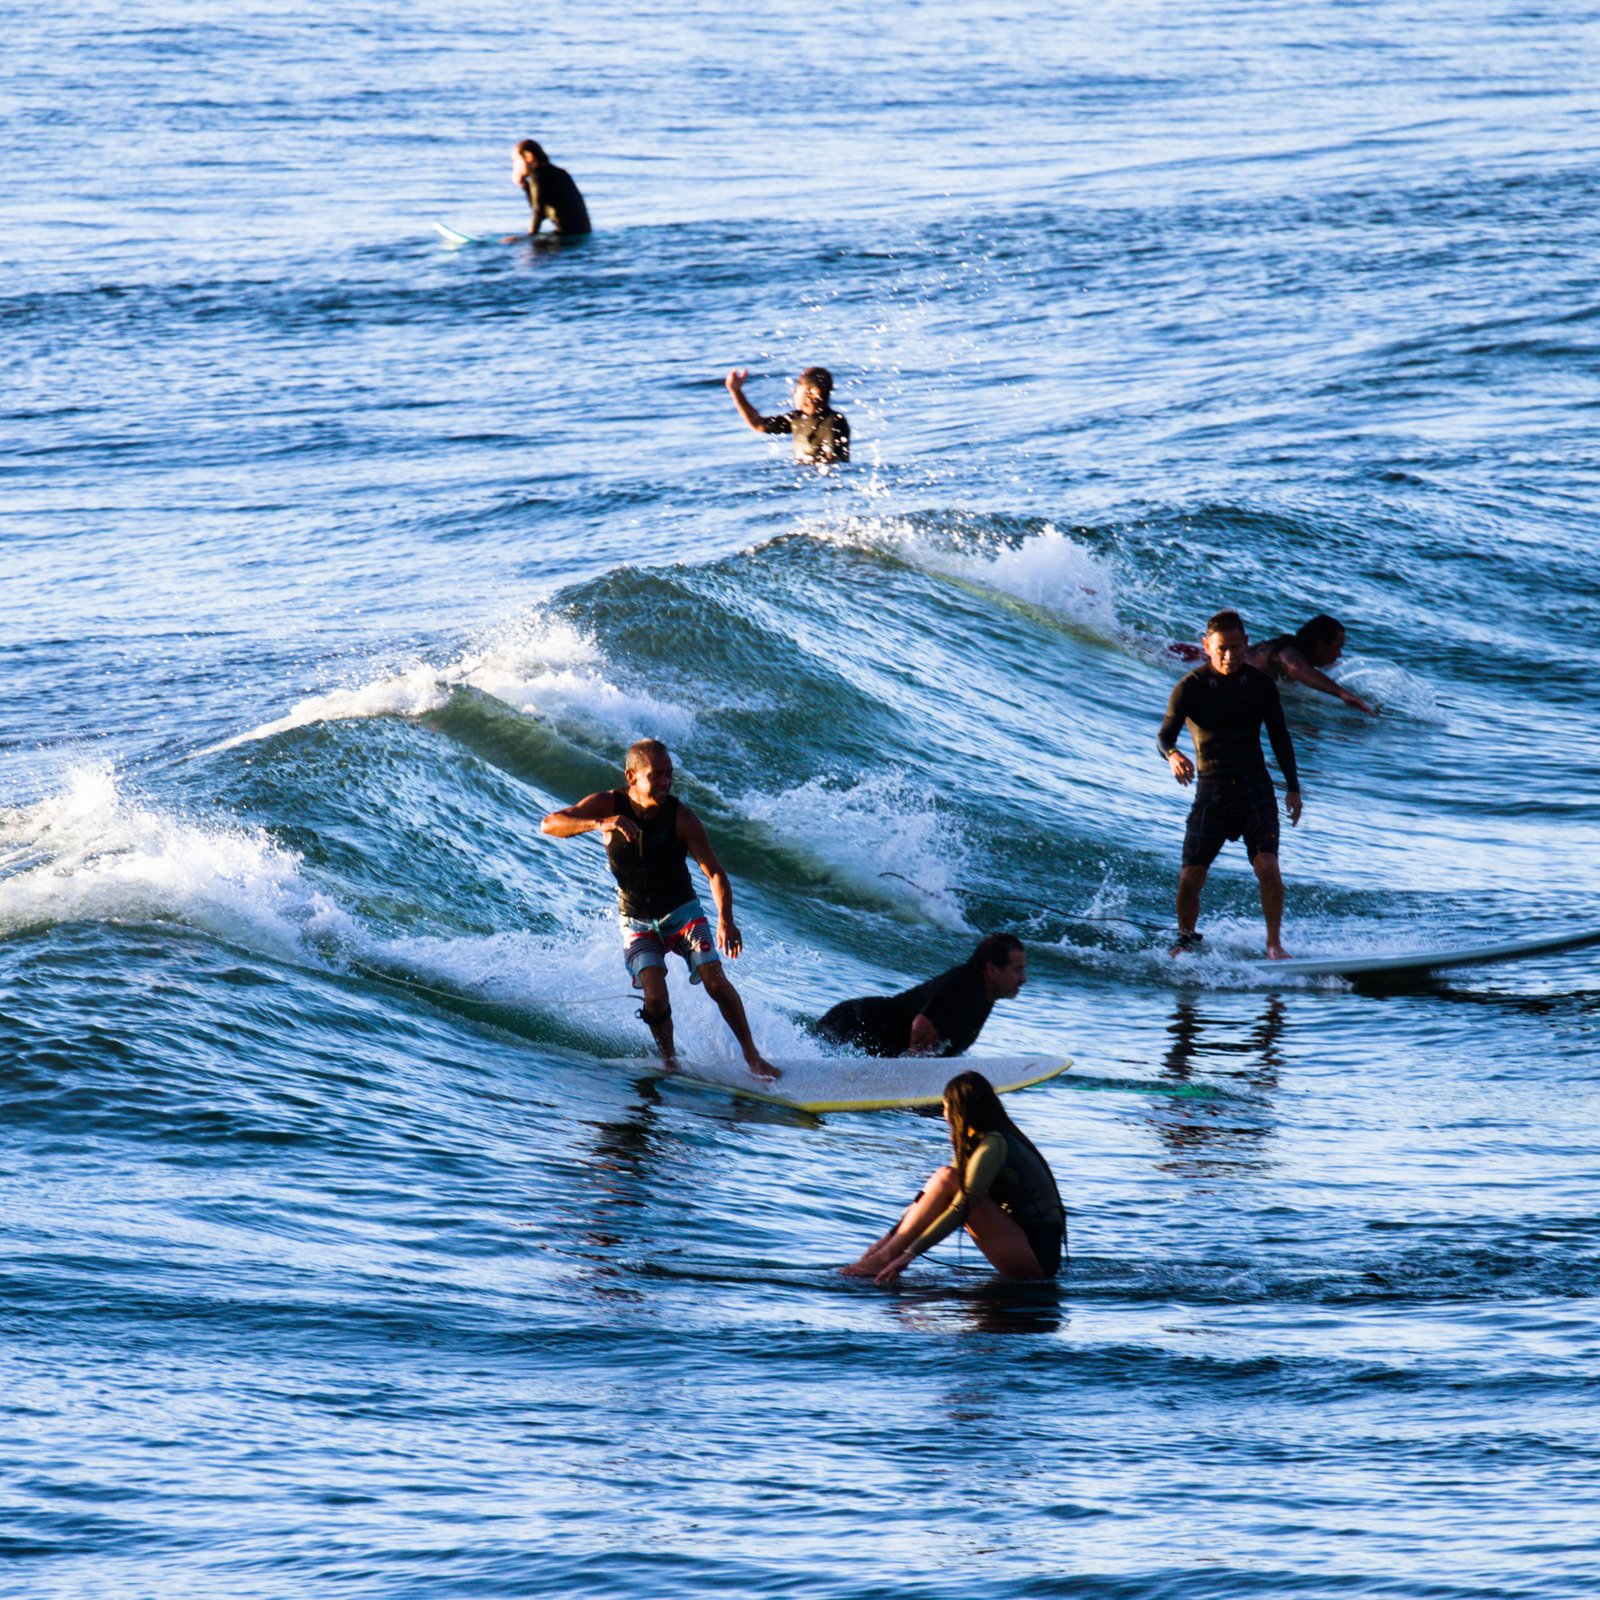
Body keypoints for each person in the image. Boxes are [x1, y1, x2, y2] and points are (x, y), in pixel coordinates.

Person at [541, 739, 777, 1080]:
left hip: (683, 913)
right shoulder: (608, 804)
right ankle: (669, 1060)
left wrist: (726, 920)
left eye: (670, 774)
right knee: (654, 997)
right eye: (657, 775)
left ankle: (753, 1058)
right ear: (632, 776)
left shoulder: (681, 817)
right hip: (636, 921)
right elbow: (550, 823)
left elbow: (715, 873)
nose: (666, 782)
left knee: (715, 980)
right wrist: (601, 823)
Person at [1158, 609, 1303, 960]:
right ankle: (1186, 938)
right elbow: (1164, 736)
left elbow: (1280, 738)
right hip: (1212, 790)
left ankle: (1273, 944)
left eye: (1237, 648)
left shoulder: (1261, 686)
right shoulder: (1190, 687)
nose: (1229, 656)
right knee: (1190, 876)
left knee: (1267, 865)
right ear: (1207, 645)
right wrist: (1174, 756)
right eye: (1222, 648)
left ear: (1246, 645)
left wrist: (1294, 788)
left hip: (1255, 788)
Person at [841, 1070, 1064, 1284]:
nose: (943, 1113)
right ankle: (883, 1252)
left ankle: (885, 1257)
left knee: (954, 1185)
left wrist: (910, 1253)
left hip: (1037, 1255)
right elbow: (931, 1196)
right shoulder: (975, 1142)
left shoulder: (993, 1144)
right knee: (945, 1176)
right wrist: (888, 1238)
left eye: (946, 1106)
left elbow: (963, 1208)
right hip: (1019, 1243)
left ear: (960, 1110)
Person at [813, 934, 1027, 1057]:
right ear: (991, 969)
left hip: (859, 1032)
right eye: (1017, 970)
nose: (1023, 978)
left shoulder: (984, 996)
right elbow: (920, 1026)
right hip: (852, 1023)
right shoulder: (965, 984)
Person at [1170, 613, 1376, 715]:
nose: (1339, 654)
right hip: (1192, 659)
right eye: (1338, 647)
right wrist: (1342, 694)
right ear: (1321, 645)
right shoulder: (1289, 653)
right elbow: (1297, 668)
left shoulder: (1291, 649)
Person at [724, 366, 850, 464]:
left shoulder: (834, 421)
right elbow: (759, 424)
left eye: (799, 387)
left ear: (814, 392)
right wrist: (736, 391)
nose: (794, 392)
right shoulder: (797, 418)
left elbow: (834, 462)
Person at [505, 139, 590, 239]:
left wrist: (529, 238)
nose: (515, 166)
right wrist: (524, 185)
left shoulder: (538, 175)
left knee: (513, 243)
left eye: (516, 161)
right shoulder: (558, 172)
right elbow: (543, 211)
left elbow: (538, 211)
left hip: (567, 237)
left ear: (529, 157)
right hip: (581, 234)